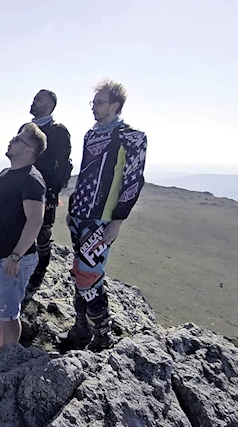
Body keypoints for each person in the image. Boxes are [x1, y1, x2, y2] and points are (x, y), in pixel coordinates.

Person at [59, 79, 147, 352]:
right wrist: (73, 207)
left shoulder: (131, 137)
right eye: (93, 102)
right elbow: (85, 174)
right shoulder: (91, 134)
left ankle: (102, 337)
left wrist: (118, 220)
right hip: (80, 215)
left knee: (89, 274)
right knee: (80, 273)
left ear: (115, 105)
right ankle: (81, 330)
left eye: (99, 102)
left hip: (102, 218)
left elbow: (133, 180)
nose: (94, 107)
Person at [0, 123, 47, 358]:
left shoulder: (32, 180)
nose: (11, 141)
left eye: (18, 140)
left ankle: (8, 358)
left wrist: (16, 255)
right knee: (0, 308)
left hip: (13, 259)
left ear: (29, 150)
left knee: (10, 313)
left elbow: (35, 221)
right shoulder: (6, 174)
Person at [22, 89, 72, 301]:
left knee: (42, 235)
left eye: (39, 99)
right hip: (22, 192)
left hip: (44, 194)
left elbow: (65, 164)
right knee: (21, 230)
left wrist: (52, 191)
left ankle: (38, 274)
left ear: (50, 105)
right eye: (34, 98)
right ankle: (22, 267)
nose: (33, 102)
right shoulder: (25, 129)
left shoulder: (58, 131)